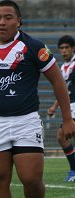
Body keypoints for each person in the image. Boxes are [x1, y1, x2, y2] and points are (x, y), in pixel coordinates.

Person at [0, 0, 75, 198]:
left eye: (7, 17)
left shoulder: (34, 47)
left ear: (18, 21)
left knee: (31, 179)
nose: (1, 22)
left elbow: (58, 81)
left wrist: (67, 118)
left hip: (26, 121)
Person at [47, 35, 75, 182]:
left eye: (66, 48)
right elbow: (63, 91)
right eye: (61, 48)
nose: (64, 51)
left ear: (73, 48)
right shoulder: (63, 68)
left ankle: (74, 170)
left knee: (62, 135)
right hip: (70, 107)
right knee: (62, 136)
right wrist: (53, 106)